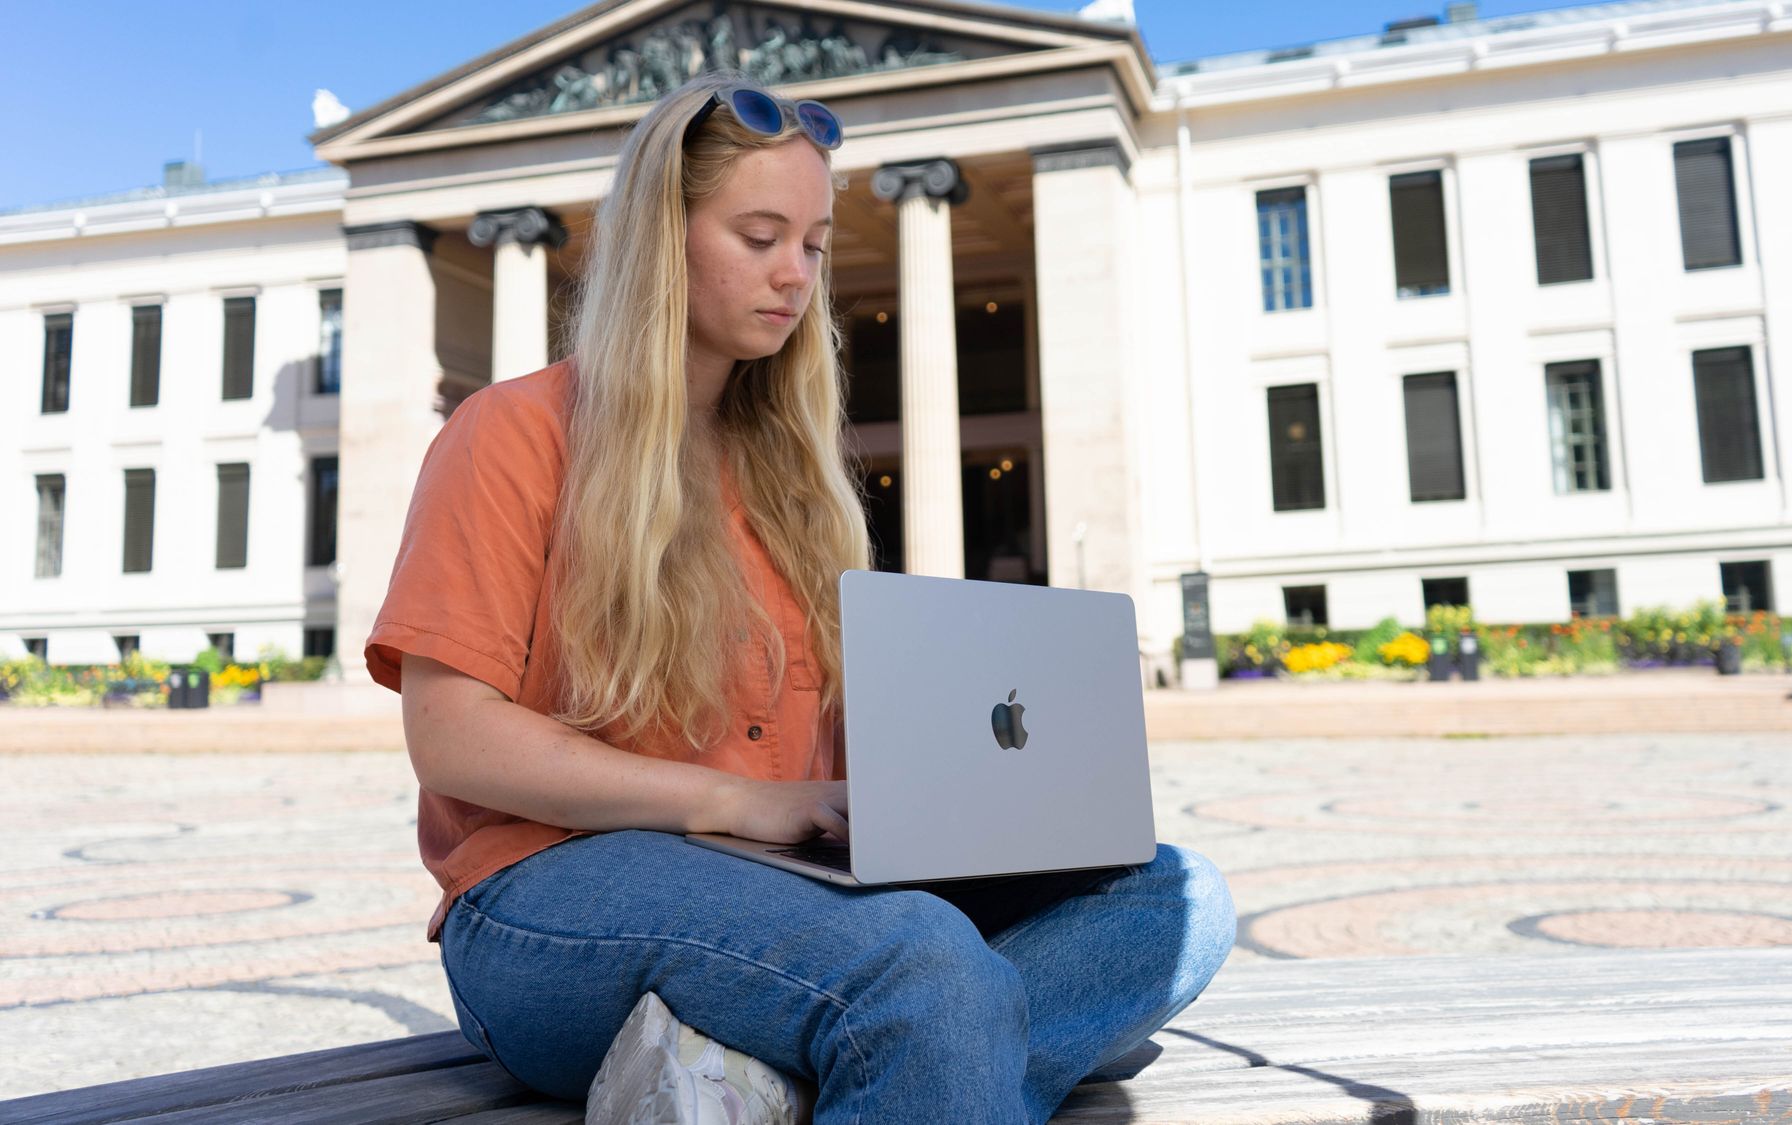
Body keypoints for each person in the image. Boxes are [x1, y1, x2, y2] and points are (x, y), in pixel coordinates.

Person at [362, 72, 1236, 1125]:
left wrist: (950, 803)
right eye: (759, 236)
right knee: (919, 969)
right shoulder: (512, 434)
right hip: (545, 899)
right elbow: (454, 741)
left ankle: (802, 1068)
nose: (795, 277)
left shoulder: (793, 480)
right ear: (661, 242)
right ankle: (921, 1046)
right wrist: (740, 804)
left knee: (1170, 901)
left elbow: (831, 761)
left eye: (813, 246)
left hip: (784, 890)